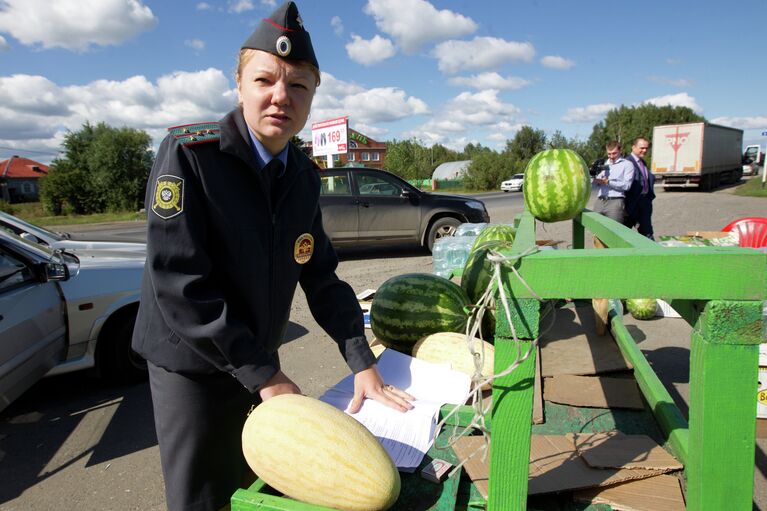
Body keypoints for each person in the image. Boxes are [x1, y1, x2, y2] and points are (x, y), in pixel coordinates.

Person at [131, 3, 414, 510]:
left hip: (261, 362)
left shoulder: (302, 176)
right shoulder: (190, 156)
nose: (281, 96)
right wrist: (266, 375)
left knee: (262, 484)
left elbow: (321, 275)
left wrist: (362, 361)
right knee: (205, 496)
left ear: (312, 98)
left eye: (299, 86)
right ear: (239, 86)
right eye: (265, 80)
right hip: (192, 368)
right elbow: (180, 283)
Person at [592, 140, 635, 226]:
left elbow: (627, 186)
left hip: (615, 202)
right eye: (609, 154)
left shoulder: (627, 165)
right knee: (596, 229)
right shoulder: (602, 164)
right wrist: (592, 177)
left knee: (614, 230)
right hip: (600, 201)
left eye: (614, 153)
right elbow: (594, 185)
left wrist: (608, 182)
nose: (611, 156)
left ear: (620, 150)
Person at [624, 137, 655, 239]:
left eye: (646, 148)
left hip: (644, 204)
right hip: (631, 206)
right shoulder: (626, 163)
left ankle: (650, 253)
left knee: (647, 234)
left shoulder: (642, 163)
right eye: (642, 148)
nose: (645, 150)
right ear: (633, 147)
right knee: (624, 234)